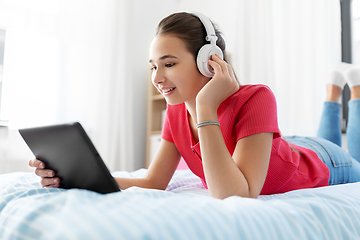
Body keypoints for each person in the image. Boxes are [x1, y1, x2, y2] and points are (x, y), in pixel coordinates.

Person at [29, 12, 360, 199]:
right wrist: (76, 178)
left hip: (324, 162)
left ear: (208, 62)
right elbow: (154, 182)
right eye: (153, 65)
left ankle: (350, 92)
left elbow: (237, 195)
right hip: (280, 148)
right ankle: (333, 93)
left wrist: (205, 107)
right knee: (311, 140)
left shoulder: (257, 97)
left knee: (349, 155)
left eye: (169, 63)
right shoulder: (175, 111)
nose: (157, 77)